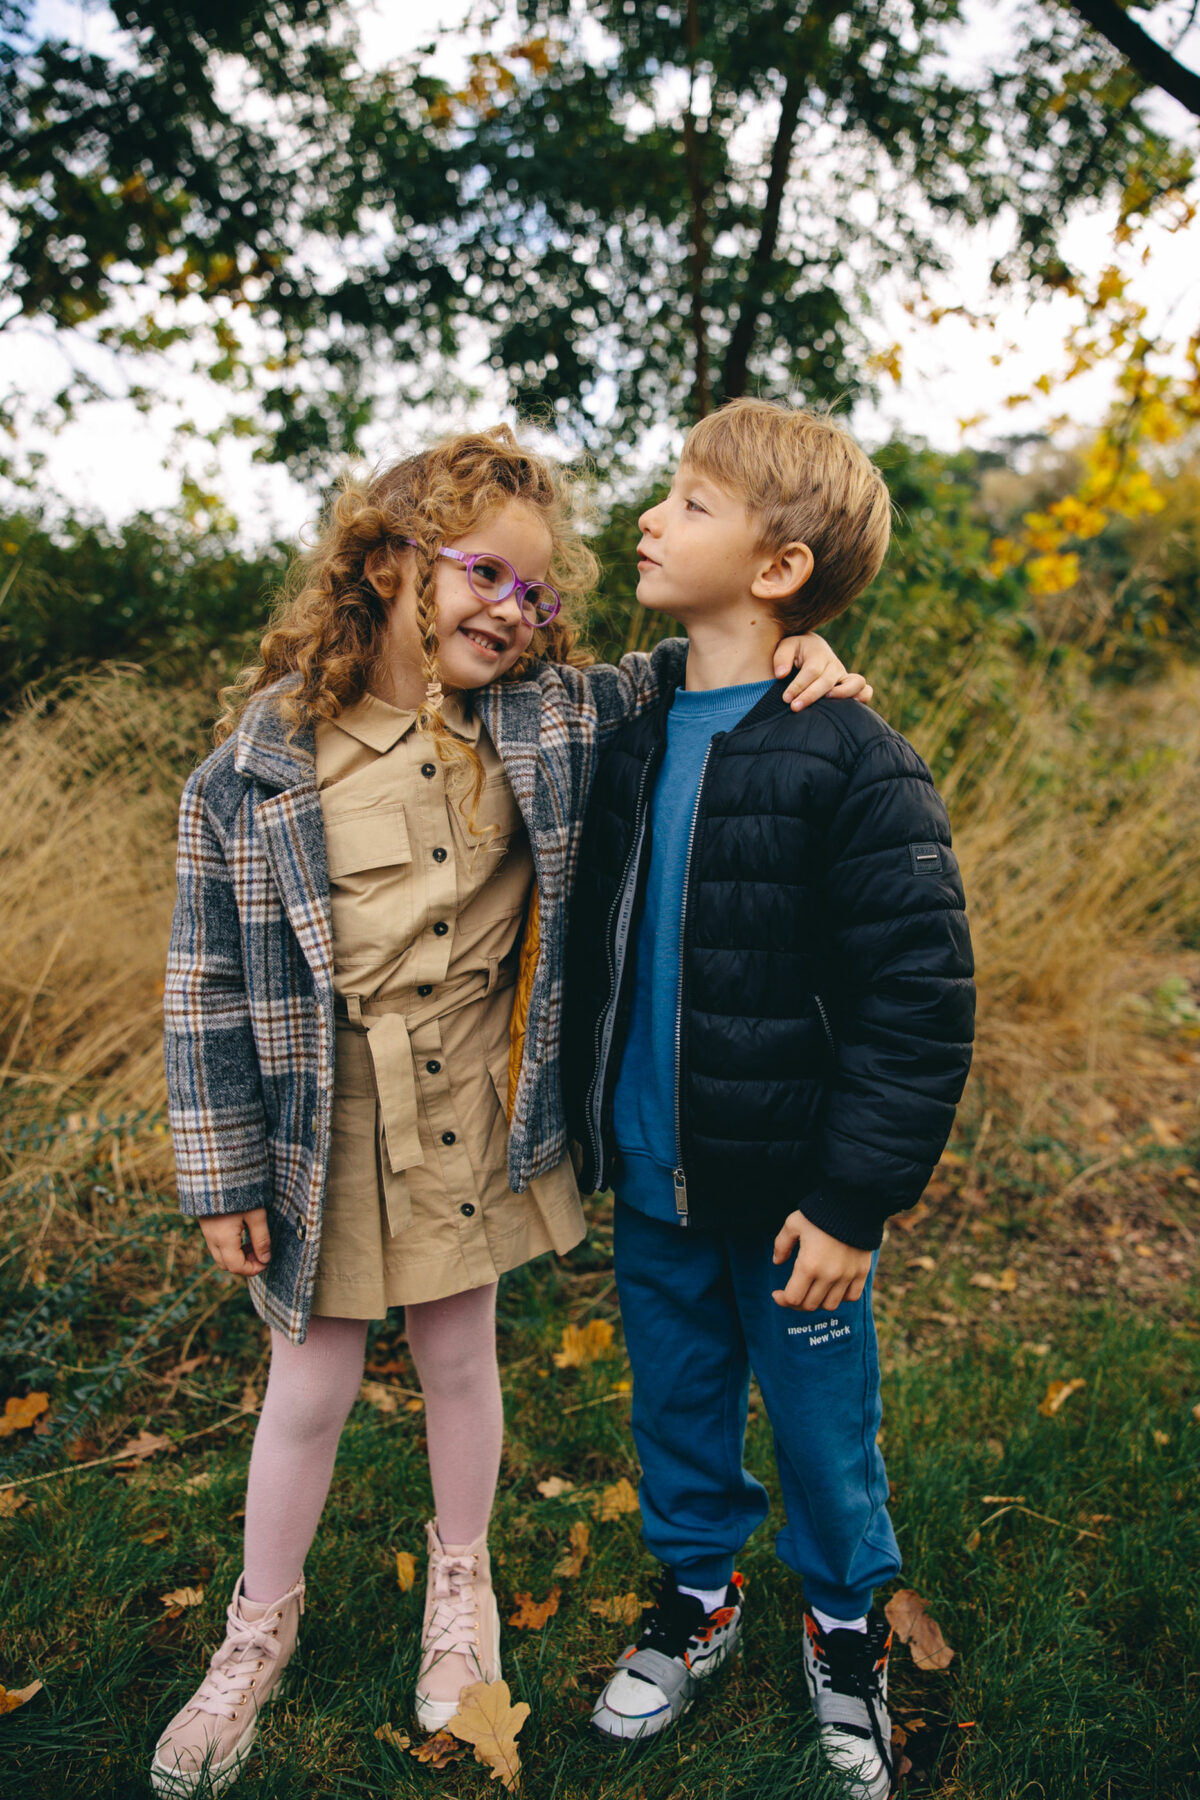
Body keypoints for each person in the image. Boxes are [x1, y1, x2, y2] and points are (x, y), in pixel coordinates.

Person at [151, 424, 870, 1795]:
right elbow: (202, 988)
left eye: (538, 593)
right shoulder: (251, 773)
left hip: (474, 1113)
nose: (514, 610)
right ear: (385, 562)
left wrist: (800, 653)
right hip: (325, 1126)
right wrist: (221, 1168)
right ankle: (256, 1631)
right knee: (306, 1385)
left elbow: (690, 669)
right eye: (487, 572)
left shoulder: (545, 720)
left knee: (460, 1358)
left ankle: (461, 1589)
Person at [564, 398, 975, 1800]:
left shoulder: (850, 753)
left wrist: (854, 1199)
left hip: (796, 1193)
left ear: (779, 567)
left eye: (687, 503)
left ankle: (848, 1622)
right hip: (653, 1171)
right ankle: (698, 1597)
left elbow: (917, 1001)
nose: (649, 519)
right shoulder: (627, 727)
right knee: (675, 1405)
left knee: (819, 1425)